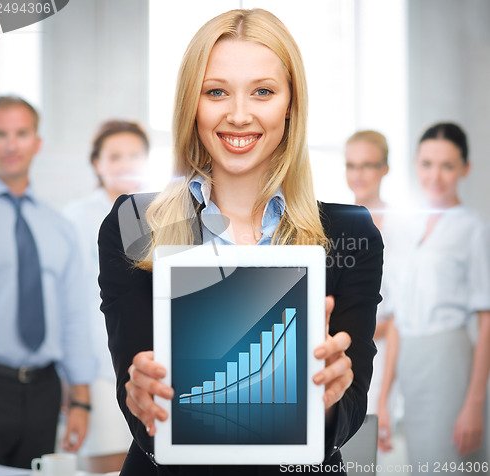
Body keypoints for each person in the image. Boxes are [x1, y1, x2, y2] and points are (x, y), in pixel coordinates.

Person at [98, 9, 383, 475]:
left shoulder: (350, 234)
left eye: (263, 92)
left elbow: (348, 410)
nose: (238, 115)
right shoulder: (134, 223)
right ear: (193, 102)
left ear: (290, 104)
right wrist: (140, 394)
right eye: (216, 92)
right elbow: (138, 403)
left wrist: (330, 400)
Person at [0, 95, 95, 468]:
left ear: (37, 143)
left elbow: (73, 317)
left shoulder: (59, 228)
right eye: (0, 133)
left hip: (44, 392)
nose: (11, 144)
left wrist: (81, 400)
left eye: (21, 133)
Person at [379, 123, 490, 474]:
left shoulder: (473, 228)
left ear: (465, 169)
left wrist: (475, 403)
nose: (435, 175)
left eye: (448, 165)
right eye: (427, 163)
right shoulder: (403, 228)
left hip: (450, 362)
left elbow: (487, 318)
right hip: (411, 363)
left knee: (449, 465)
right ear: (415, 164)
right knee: (421, 464)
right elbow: (396, 318)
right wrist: (384, 398)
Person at [63, 120, 149, 473]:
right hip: (98, 369)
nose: (126, 164)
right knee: (105, 464)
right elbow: (72, 304)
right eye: (115, 156)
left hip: (148, 368)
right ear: (97, 163)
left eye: (134, 155)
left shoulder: (159, 213)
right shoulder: (75, 218)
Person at [344, 130, 400, 451]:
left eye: (367, 165)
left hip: (381, 361)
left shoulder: (398, 229)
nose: (358, 175)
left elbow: (397, 320)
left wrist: (384, 399)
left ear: (385, 168)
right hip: (338, 356)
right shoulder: (336, 223)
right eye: (351, 165)